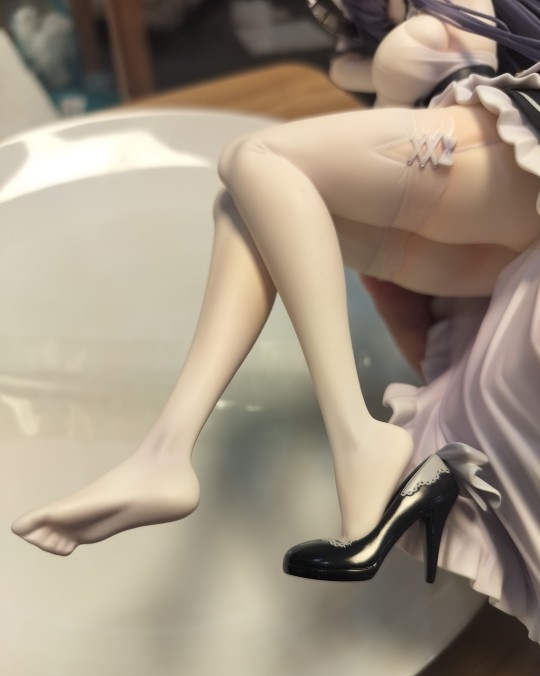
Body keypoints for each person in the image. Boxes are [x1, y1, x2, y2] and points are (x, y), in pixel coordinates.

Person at [11, 0, 540, 642]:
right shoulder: (367, 34)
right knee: (246, 205)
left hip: (512, 159)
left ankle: (358, 439)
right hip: (464, 224)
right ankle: (163, 454)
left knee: (256, 156)